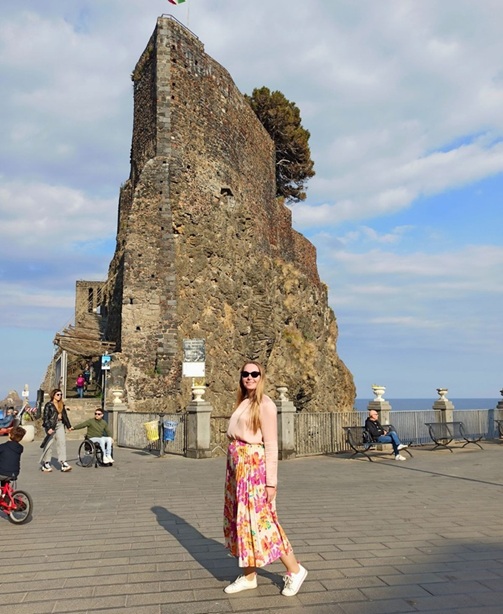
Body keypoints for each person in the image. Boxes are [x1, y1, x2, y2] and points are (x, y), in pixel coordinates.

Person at [223, 361, 308, 597]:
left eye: (254, 374)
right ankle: (249, 575)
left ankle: (295, 570)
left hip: (253, 470)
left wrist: (271, 483)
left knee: (263, 522)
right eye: (245, 374)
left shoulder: (266, 405)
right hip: (238, 470)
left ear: (262, 377)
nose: (249, 377)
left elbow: (271, 445)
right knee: (242, 521)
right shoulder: (244, 401)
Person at [40, 389, 73, 473]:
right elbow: (45, 418)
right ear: (53, 395)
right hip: (51, 426)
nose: (59, 396)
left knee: (62, 443)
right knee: (48, 444)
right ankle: (46, 463)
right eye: (58, 394)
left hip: (60, 425)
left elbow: (65, 416)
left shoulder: (61, 404)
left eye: (61, 394)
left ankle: (63, 462)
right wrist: (48, 428)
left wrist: (69, 426)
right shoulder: (49, 405)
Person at [0, 426, 27, 495]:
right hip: (14, 473)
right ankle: (5, 496)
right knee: (5, 477)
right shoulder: (20, 448)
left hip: (2, 473)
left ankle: (3, 495)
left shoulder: (2, 447)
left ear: (10, 435)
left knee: (3, 474)